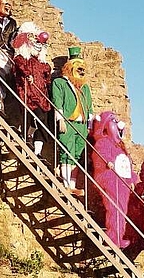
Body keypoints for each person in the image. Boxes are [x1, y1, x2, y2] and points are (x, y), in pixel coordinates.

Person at [51, 46, 94, 196]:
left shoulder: (85, 88)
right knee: (66, 151)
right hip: (68, 122)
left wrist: (90, 125)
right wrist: (60, 119)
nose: (81, 71)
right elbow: (57, 101)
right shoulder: (59, 83)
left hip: (82, 125)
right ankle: (66, 183)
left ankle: (73, 185)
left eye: (83, 69)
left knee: (77, 154)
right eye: (78, 68)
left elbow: (89, 107)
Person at [91, 111, 137, 248]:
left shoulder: (120, 147)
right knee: (114, 208)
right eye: (113, 120)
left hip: (122, 182)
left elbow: (127, 164)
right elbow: (99, 155)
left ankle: (119, 236)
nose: (117, 124)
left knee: (121, 210)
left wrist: (133, 179)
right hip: (110, 179)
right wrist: (107, 161)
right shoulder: (103, 142)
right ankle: (112, 237)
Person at [11, 22, 52, 158]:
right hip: (27, 94)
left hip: (41, 96)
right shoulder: (21, 58)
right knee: (28, 119)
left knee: (42, 122)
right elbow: (20, 65)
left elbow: (47, 76)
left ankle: (37, 151)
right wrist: (28, 74)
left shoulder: (41, 62)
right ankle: (26, 141)